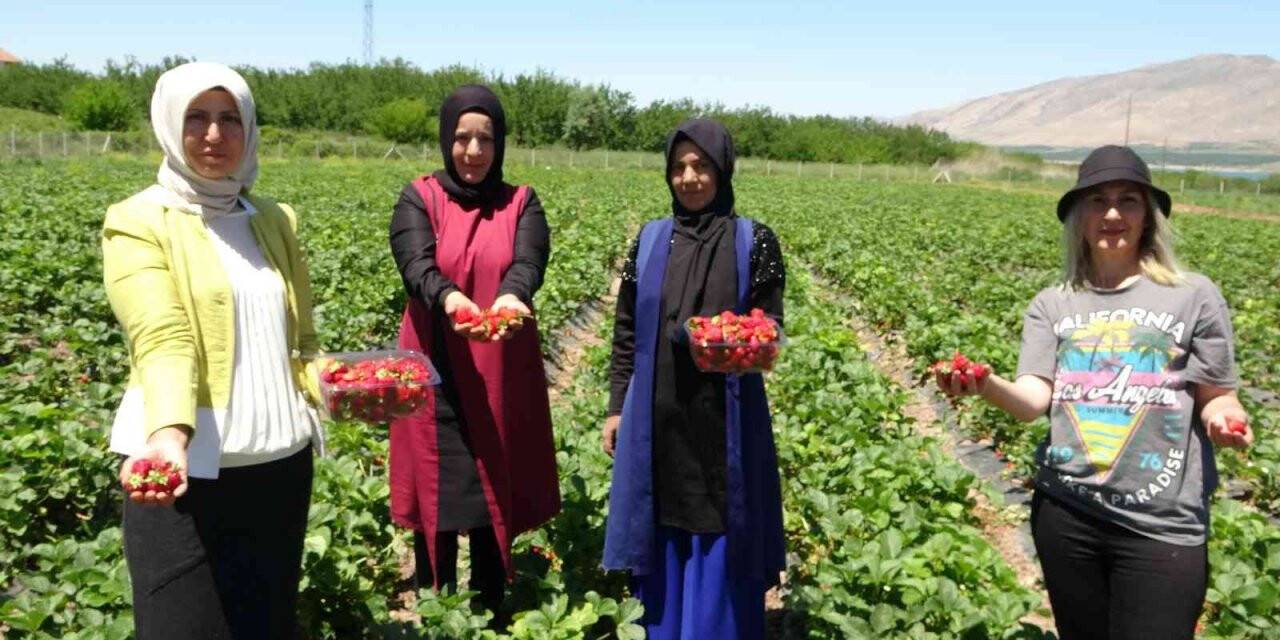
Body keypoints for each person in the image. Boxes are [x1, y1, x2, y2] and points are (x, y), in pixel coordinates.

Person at [936, 145, 1253, 640]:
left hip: (1162, 524)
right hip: (1068, 516)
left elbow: (1218, 393)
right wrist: (984, 384)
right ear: (1078, 216)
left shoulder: (1193, 294)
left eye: (1128, 200)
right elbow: (1032, 401)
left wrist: (1223, 418)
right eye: (1097, 200)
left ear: (1148, 216)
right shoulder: (1053, 302)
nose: (1112, 213)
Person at [104, 62, 323, 639]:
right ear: (169, 125)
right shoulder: (137, 221)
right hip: (186, 475)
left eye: (230, 118)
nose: (213, 134)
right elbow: (161, 333)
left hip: (280, 467)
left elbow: (302, 341)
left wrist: (343, 389)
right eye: (196, 117)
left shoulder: (273, 219)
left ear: (249, 128)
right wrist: (170, 434)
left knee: (265, 625)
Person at [602, 118, 786, 639]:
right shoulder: (651, 239)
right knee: (660, 512)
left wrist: (726, 341)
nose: (689, 177)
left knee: (724, 516)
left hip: (727, 415)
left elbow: (769, 330)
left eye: (701, 165)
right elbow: (626, 331)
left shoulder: (755, 241)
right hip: (657, 412)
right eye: (679, 167)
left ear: (722, 170)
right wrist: (617, 407)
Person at [388, 85, 560, 617]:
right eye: (462, 137)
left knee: (492, 482)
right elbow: (416, 265)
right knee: (432, 492)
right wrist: (453, 300)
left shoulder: (521, 202)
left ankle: (490, 608)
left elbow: (528, 263)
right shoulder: (419, 197)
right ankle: (438, 611)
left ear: (500, 143)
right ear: (446, 139)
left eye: (486, 138)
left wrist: (510, 297)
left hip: (498, 362)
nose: (473, 150)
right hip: (433, 365)